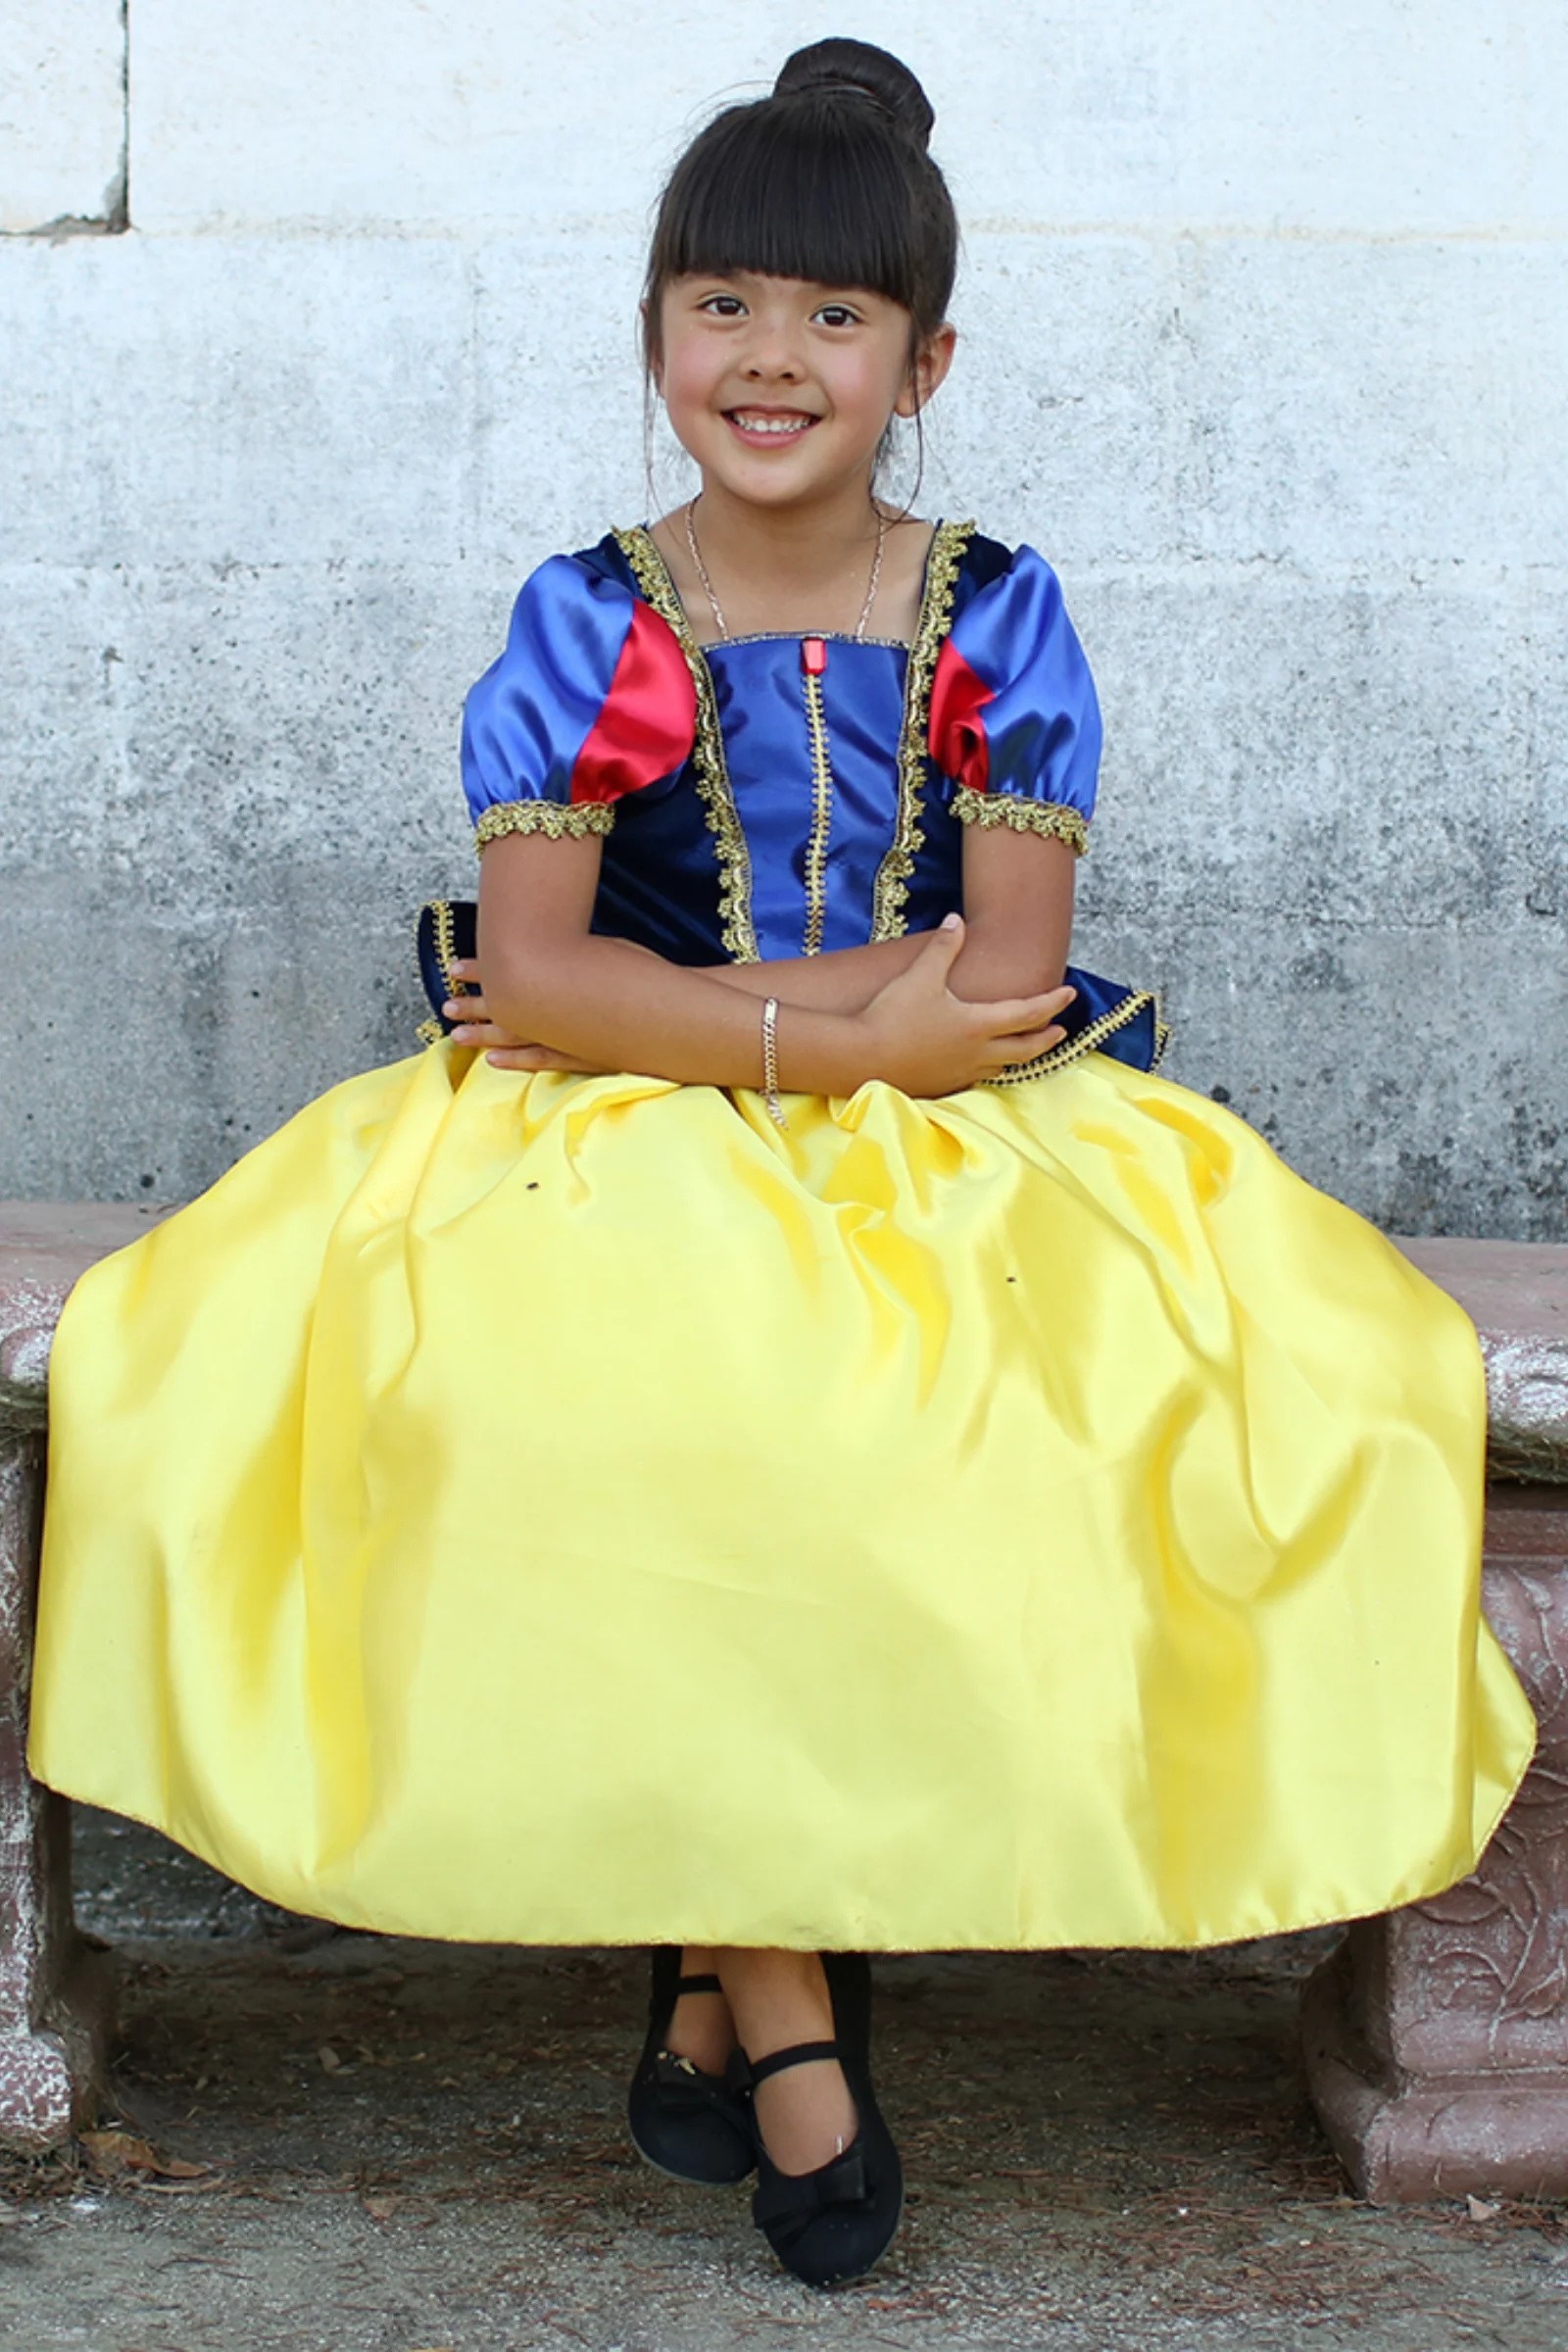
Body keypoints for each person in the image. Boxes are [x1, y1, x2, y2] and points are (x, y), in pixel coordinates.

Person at [30, 35, 1534, 2292]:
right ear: (651, 331)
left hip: (953, 1125)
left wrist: (750, 1025)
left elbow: (995, 985)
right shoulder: (589, 617)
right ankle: (783, 1978)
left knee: (1001, 1413)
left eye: (833, 316)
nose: (768, 356)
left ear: (922, 364)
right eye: (720, 302)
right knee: (612, 1403)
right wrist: (823, 1029)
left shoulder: (994, 615)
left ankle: (715, 1948)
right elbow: (538, 975)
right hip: (606, 1129)